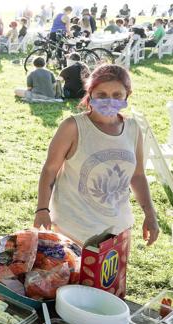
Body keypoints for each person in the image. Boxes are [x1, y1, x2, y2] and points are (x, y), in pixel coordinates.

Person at [34, 64, 159, 248]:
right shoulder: (73, 127)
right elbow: (50, 170)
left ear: (127, 95)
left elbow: (138, 175)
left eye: (117, 95)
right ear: (90, 93)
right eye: (102, 95)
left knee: (114, 269)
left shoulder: (133, 128)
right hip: (74, 230)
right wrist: (42, 209)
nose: (109, 101)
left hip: (118, 229)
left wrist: (150, 214)